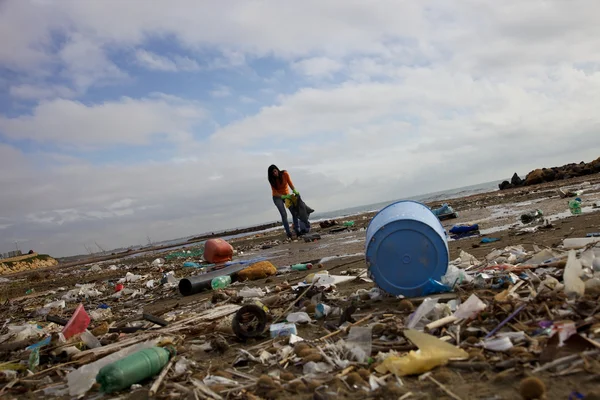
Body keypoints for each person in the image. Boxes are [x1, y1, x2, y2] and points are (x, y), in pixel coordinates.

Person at [268, 164, 301, 239]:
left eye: (275, 171)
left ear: (277, 170)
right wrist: (283, 196)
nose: (274, 174)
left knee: (294, 212)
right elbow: (275, 192)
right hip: (277, 197)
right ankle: (288, 233)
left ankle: (297, 230)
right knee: (284, 214)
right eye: (272, 173)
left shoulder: (285, 174)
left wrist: (294, 190)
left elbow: (290, 183)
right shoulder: (272, 180)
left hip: (287, 195)